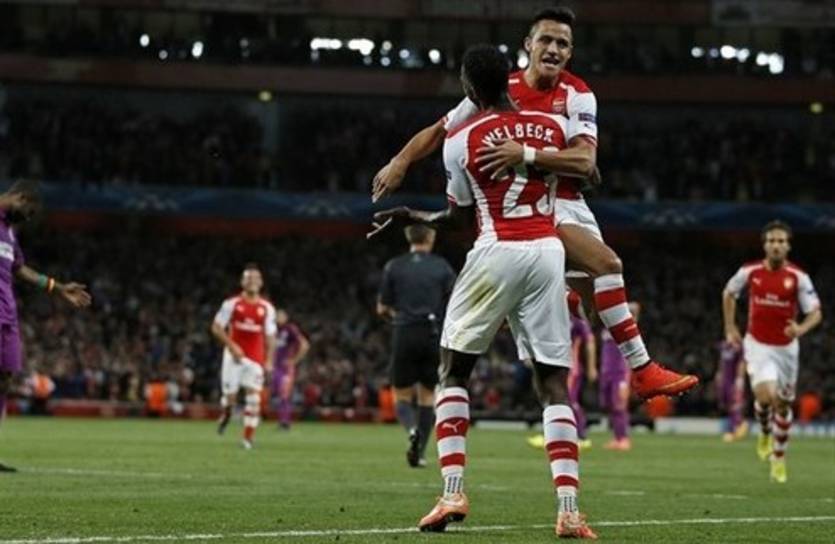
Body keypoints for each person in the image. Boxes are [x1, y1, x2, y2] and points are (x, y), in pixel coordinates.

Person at [371, 7, 698, 401]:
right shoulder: (500, 87)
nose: (553, 49)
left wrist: (525, 154)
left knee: (597, 313)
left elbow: (585, 162)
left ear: (570, 53)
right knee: (608, 264)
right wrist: (400, 161)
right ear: (528, 44)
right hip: (534, 207)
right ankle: (643, 370)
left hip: (570, 200)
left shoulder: (577, 94)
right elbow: (440, 130)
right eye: (546, 39)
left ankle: (547, 299)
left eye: (563, 43)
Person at [375, 44, 596, 539]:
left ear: (470, 89)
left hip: (496, 250)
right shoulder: (553, 127)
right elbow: (588, 171)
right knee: (553, 382)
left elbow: (457, 218)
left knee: (453, 370)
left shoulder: (459, 140)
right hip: (548, 252)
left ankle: (453, 490)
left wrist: (414, 215)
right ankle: (569, 510)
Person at [0, 180, 92, 473]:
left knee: (6, 377)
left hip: (7, 316)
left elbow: (19, 268)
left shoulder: (9, 232)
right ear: (19, 196)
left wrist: (58, 287)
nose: (26, 219)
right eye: (27, 212)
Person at [723, 220, 822, 483]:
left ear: (788, 246)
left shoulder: (798, 277)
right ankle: (765, 432)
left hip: (786, 349)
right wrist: (730, 326)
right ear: (764, 245)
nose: (776, 245)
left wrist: (800, 328)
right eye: (771, 241)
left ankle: (779, 457)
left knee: (784, 403)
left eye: (781, 241)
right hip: (758, 344)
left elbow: (815, 312)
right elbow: (729, 293)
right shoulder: (750, 271)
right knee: (765, 397)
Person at [377, 224, 456, 468]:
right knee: (428, 395)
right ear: (430, 238)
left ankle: (412, 429)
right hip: (433, 333)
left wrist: (396, 317)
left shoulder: (394, 266)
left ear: (409, 238)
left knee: (400, 394)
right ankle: (420, 453)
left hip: (404, 331)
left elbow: (382, 308)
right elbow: (454, 300)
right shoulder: (442, 266)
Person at [211, 263, 277, 449]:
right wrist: (232, 345)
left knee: (254, 398)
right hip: (233, 357)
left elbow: (271, 336)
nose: (252, 281)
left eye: (256, 278)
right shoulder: (231, 304)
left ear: (261, 282)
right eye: (248, 278)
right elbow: (216, 327)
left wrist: (269, 360)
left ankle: (247, 439)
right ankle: (227, 413)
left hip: (255, 358)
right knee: (230, 398)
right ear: (242, 282)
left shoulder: (267, 308)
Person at [598, 302, 642, 451]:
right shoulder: (607, 328)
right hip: (607, 372)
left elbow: (635, 307)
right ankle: (617, 437)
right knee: (610, 405)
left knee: (619, 405)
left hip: (620, 373)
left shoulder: (626, 329)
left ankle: (624, 439)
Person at [272, 308, 310, 430]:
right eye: (277, 316)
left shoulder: (290, 329)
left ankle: (285, 422)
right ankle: (282, 420)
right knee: (279, 394)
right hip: (275, 367)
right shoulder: (273, 330)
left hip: (286, 367)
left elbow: (304, 345)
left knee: (285, 393)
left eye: (280, 315)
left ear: (286, 317)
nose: (278, 318)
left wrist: (294, 360)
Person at [714, 339, 748, 442]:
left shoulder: (739, 347)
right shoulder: (724, 346)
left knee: (735, 404)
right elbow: (721, 362)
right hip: (725, 380)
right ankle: (735, 426)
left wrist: (740, 379)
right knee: (727, 404)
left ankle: (738, 426)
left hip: (733, 379)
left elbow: (742, 362)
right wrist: (719, 373)